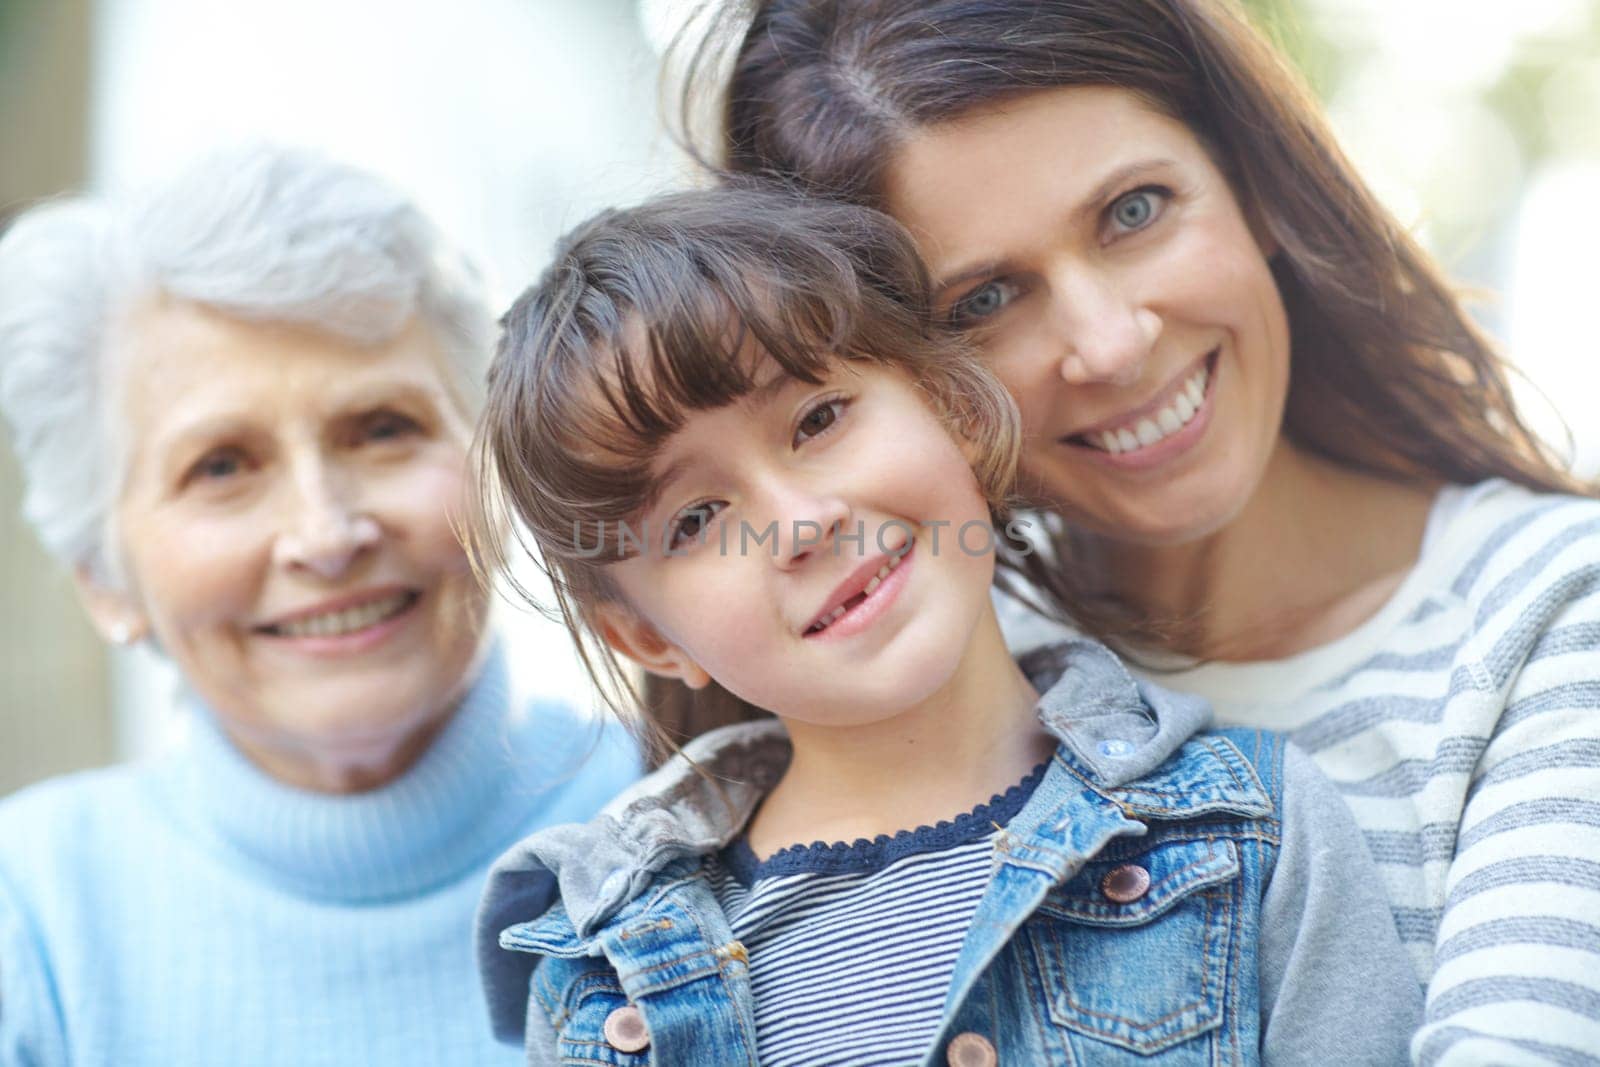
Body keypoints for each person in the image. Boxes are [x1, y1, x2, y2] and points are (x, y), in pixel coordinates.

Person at [688, 1, 1600, 1062]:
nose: (1109, 345)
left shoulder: (1546, 616)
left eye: (1134, 212)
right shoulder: (905, 690)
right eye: (984, 298)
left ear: (1251, 181)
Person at [470, 184, 1420, 1065]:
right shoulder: (605, 983)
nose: (801, 523)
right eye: (694, 520)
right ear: (645, 639)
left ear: (953, 406)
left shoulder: (1247, 830)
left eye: (819, 418)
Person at [0, 145, 640, 1066]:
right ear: (104, 580)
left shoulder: (722, 823)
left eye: (384, 428)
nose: (327, 532)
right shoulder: (34, 929)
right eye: (221, 465)